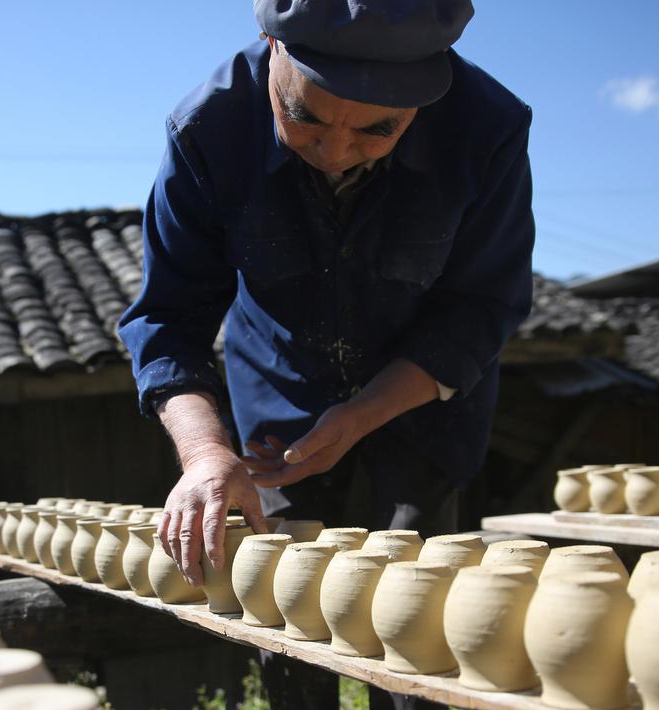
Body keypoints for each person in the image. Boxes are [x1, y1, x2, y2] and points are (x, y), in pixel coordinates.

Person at [118, 1, 534, 706]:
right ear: (268, 45)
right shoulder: (209, 129)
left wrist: (364, 412)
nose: (335, 151)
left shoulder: (485, 128)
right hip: (276, 405)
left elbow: (481, 305)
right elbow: (167, 317)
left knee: (416, 621)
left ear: (427, 92)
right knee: (283, 615)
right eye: (302, 115)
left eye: (378, 129)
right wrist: (204, 454)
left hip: (418, 401)